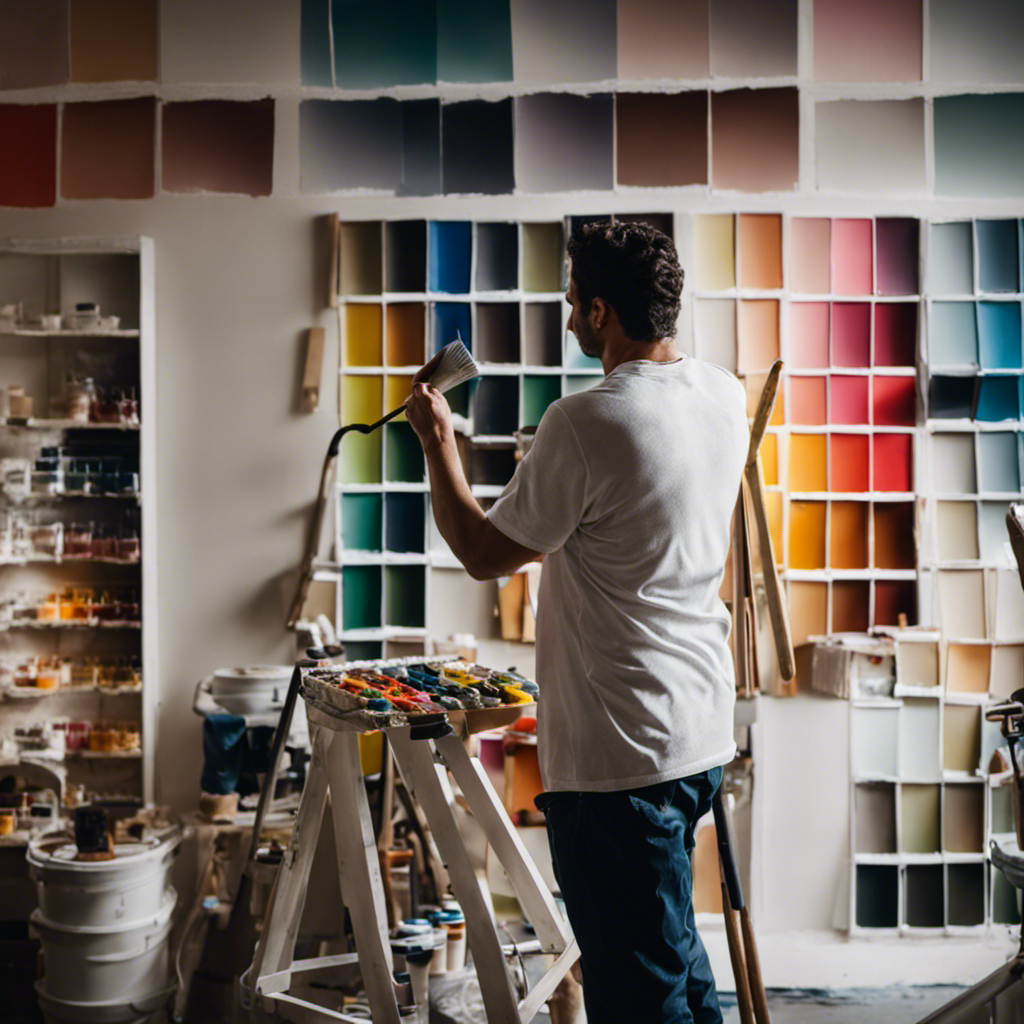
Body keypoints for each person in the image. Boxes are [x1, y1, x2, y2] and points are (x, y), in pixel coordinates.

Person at [406, 220, 748, 1024]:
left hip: (619, 759)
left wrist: (436, 443)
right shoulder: (724, 393)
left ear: (601, 310)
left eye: (571, 305)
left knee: (637, 993)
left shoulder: (587, 422)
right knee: (673, 956)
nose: (565, 321)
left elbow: (486, 553)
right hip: (695, 731)